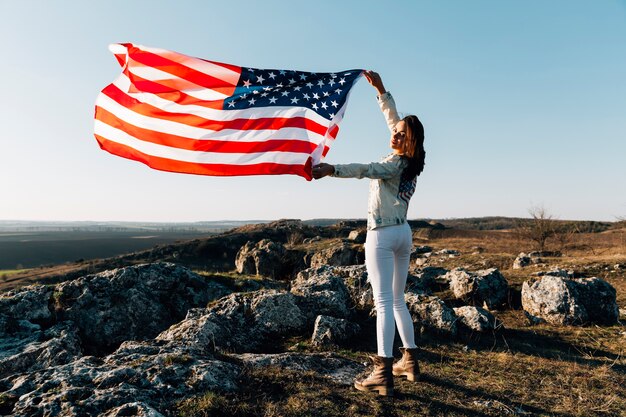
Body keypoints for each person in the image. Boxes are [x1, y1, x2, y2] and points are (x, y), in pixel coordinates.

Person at [312, 70, 425, 397]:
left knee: (384, 302)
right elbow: (394, 121)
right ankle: (410, 361)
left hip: (383, 234)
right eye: (396, 131)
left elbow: (367, 170)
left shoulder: (394, 164)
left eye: (401, 134)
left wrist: (332, 170)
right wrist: (381, 92)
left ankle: (382, 372)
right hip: (404, 234)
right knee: (398, 300)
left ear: (409, 141)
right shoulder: (410, 160)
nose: (395, 134)